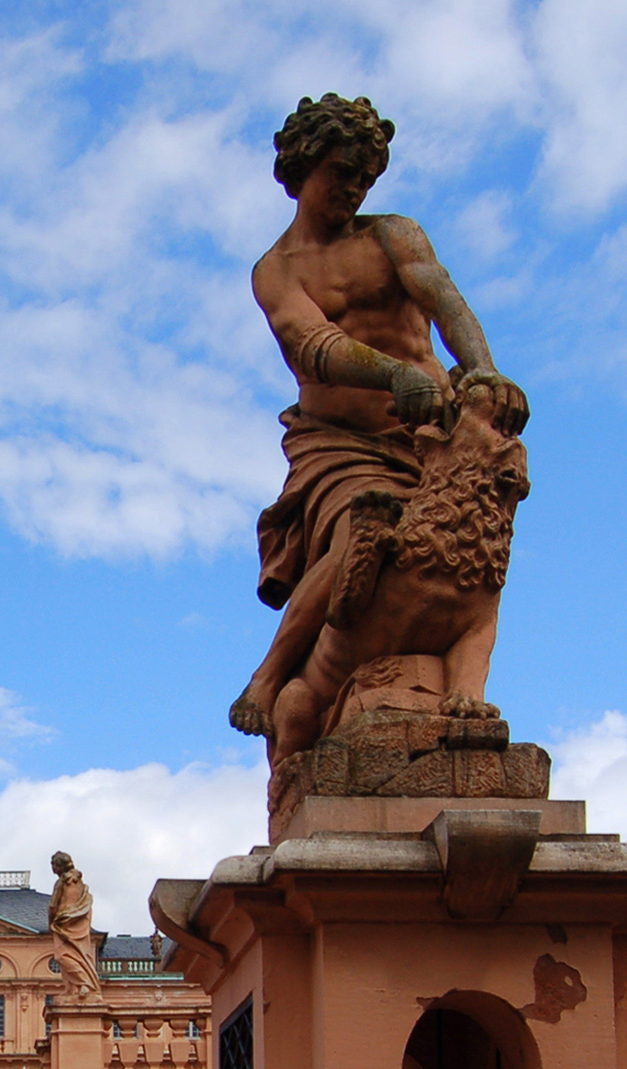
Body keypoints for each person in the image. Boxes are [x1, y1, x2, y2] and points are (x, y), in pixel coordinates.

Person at [229, 94, 527, 752]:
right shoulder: (276, 271)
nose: (356, 188)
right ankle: (268, 677)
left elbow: (444, 300)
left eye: (367, 176)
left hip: (433, 441)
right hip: (341, 445)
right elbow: (315, 347)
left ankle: (451, 694)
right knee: (368, 528)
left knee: (471, 562)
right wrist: (394, 374)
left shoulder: (394, 234)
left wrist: (482, 371)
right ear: (304, 167)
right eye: (344, 172)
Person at [48, 852, 102, 1001]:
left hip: (63, 922)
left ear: (59, 865)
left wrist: (51, 921)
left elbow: (53, 905)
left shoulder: (61, 882)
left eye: (53, 864)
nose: (52, 868)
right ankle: (72, 989)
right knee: (77, 955)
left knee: (62, 955)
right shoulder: (79, 883)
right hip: (76, 923)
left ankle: (84, 983)